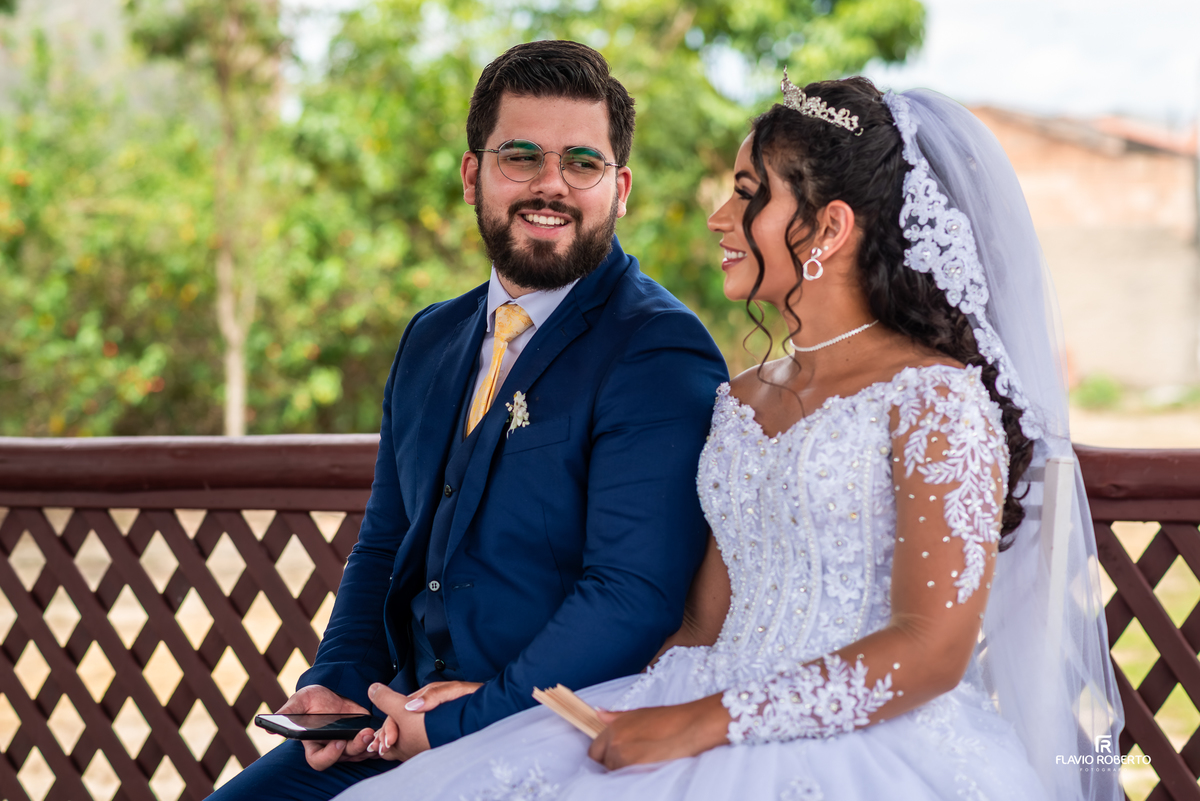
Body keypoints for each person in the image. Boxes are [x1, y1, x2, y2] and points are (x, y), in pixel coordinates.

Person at [332, 74, 1124, 801]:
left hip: (868, 746)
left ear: (829, 227)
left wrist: (707, 721)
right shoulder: (745, 397)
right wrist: (523, 706)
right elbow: (699, 628)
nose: (718, 216)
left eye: (747, 193)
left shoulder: (937, 402)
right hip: (693, 690)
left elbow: (930, 651)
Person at [209, 40, 728, 801]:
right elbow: (385, 541)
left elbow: (630, 594)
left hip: (555, 737)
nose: (551, 185)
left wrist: (467, 719)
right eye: (521, 157)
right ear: (471, 174)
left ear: (619, 189)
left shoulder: (658, 349)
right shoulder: (429, 337)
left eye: (582, 164)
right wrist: (338, 684)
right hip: (397, 721)